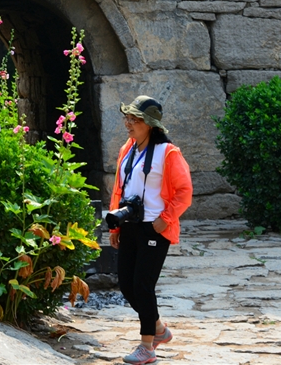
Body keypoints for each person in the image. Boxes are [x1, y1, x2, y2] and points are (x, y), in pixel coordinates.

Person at [108, 96, 193, 365]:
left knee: (143, 286)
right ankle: (157, 327)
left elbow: (184, 192)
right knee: (126, 284)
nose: (128, 123)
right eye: (127, 118)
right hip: (130, 225)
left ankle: (147, 347)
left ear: (150, 124)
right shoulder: (128, 149)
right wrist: (116, 223)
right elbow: (119, 188)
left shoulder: (168, 153)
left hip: (155, 228)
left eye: (134, 119)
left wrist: (165, 219)